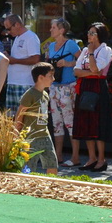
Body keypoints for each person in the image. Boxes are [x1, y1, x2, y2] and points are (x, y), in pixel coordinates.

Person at [72, 23, 112, 171]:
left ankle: (101, 159)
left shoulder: (105, 50)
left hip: (98, 89)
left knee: (98, 123)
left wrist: (90, 55)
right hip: (85, 87)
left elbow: (97, 69)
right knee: (86, 123)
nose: (89, 35)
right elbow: (76, 71)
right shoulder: (84, 50)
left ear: (99, 35)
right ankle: (91, 158)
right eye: (89, 32)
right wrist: (91, 72)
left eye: (93, 33)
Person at [43, 18, 79, 166]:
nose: (51, 30)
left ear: (61, 30)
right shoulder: (51, 45)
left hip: (67, 86)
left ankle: (75, 156)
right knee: (56, 122)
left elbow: (83, 60)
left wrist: (68, 63)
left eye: (53, 27)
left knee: (70, 122)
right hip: (54, 87)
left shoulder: (70, 44)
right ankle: (58, 155)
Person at [16, 62, 57, 174]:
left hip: (45, 134)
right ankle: (25, 187)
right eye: (50, 76)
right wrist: (17, 132)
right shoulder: (30, 94)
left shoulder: (45, 94)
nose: (53, 79)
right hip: (31, 136)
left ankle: (51, 186)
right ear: (40, 77)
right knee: (28, 166)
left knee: (52, 163)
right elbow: (20, 114)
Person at [0, 14, 42, 115]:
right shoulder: (18, 38)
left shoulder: (31, 37)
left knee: (24, 117)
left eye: (9, 29)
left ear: (17, 24)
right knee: (11, 117)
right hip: (13, 82)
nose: (8, 32)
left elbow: (36, 58)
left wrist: (14, 60)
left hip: (24, 83)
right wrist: (9, 57)